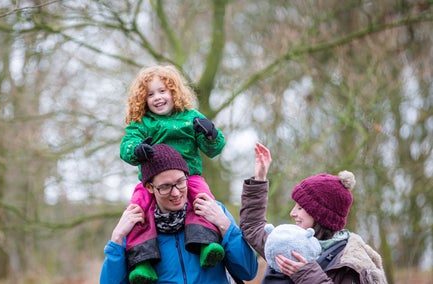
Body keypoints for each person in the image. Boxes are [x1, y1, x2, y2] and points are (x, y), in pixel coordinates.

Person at [119, 65, 226, 282]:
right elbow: (127, 146)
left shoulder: (190, 117)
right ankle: (143, 262)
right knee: (137, 211)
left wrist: (211, 134)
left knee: (204, 202)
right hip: (153, 183)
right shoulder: (142, 123)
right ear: (143, 99)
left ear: (174, 92)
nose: (157, 97)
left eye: (162, 91)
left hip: (190, 177)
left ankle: (206, 244)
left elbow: (213, 149)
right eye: (150, 94)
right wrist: (137, 150)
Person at [101, 144, 258, 284]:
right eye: (165, 186)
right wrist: (117, 239)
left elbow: (248, 271)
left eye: (181, 182)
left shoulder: (213, 210)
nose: (176, 193)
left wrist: (225, 225)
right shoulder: (135, 225)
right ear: (149, 188)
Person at [239, 142, 388, 283]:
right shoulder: (287, 242)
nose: (292, 213)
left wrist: (305, 274)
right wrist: (259, 178)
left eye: (300, 208)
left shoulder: (353, 264)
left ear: (320, 215)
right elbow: (253, 226)